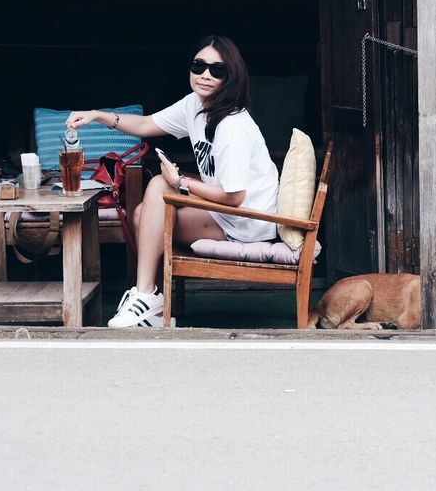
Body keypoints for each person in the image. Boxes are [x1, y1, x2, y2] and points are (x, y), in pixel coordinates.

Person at [66, 35, 279, 328]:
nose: (205, 75)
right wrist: (97, 116)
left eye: (217, 70)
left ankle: (145, 296)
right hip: (225, 212)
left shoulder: (231, 126)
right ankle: (150, 302)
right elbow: (145, 124)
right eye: (199, 66)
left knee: (158, 187)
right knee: (143, 213)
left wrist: (181, 182)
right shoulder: (196, 105)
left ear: (232, 78)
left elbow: (235, 197)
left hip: (247, 220)